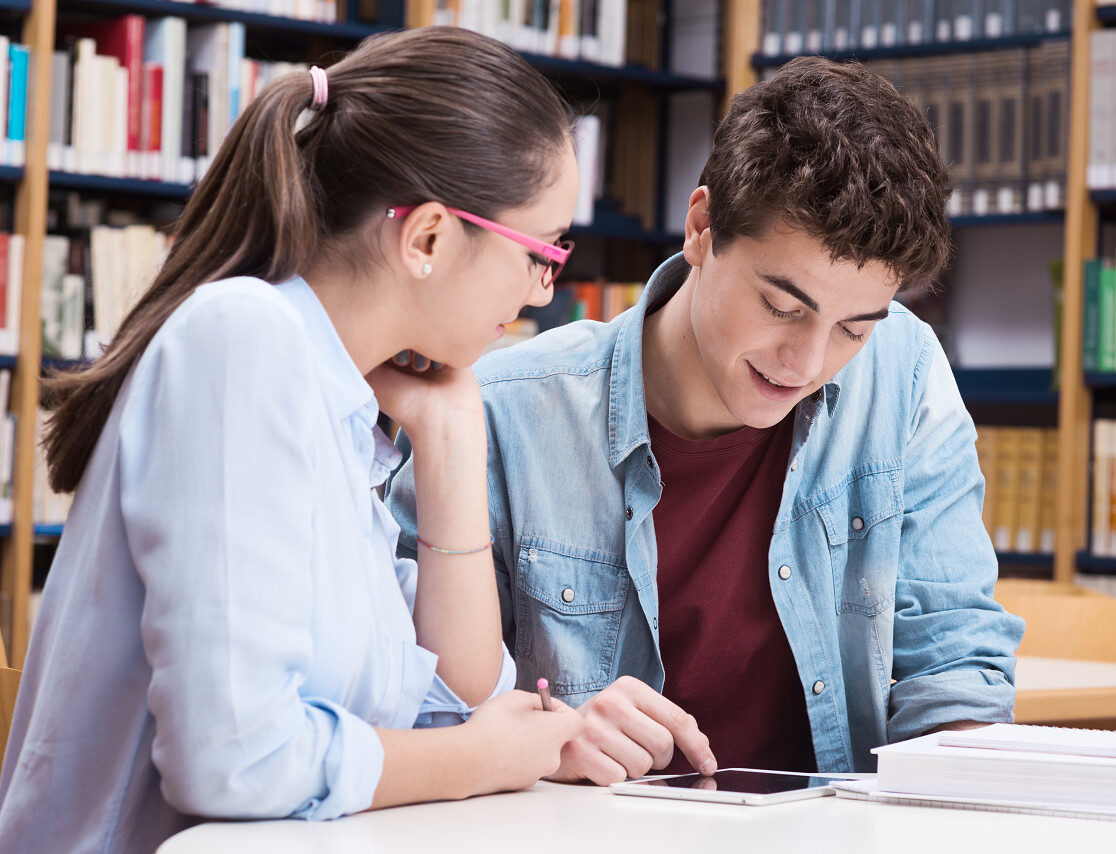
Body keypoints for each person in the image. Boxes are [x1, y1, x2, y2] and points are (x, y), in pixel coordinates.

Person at [0, 27, 585, 853]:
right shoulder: (244, 341)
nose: (543, 291)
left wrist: (452, 442)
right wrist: (480, 759)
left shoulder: (339, 402)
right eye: (543, 253)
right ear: (427, 238)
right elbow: (237, 761)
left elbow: (462, 704)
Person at [386, 55, 1025, 783]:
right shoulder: (503, 413)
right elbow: (412, 705)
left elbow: (953, 656)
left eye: (853, 328)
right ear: (701, 228)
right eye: (782, 306)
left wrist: (959, 786)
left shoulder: (903, 372)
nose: (807, 362)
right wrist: (549, 739)